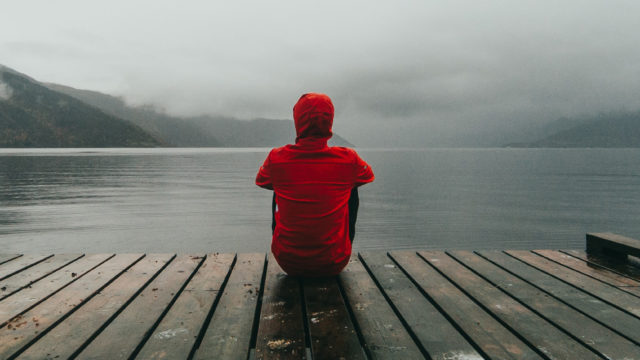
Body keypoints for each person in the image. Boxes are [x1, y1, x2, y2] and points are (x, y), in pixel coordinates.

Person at [255, 93, 374, 277]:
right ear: (330, 120)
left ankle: (284, 243)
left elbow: (262, 181)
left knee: (277, 185)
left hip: (288, 262)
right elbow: (367, 175)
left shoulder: (277, 158)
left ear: (297, 120)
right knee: (352, 185)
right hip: (334, 262)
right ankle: (344, 244)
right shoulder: (348, 159)